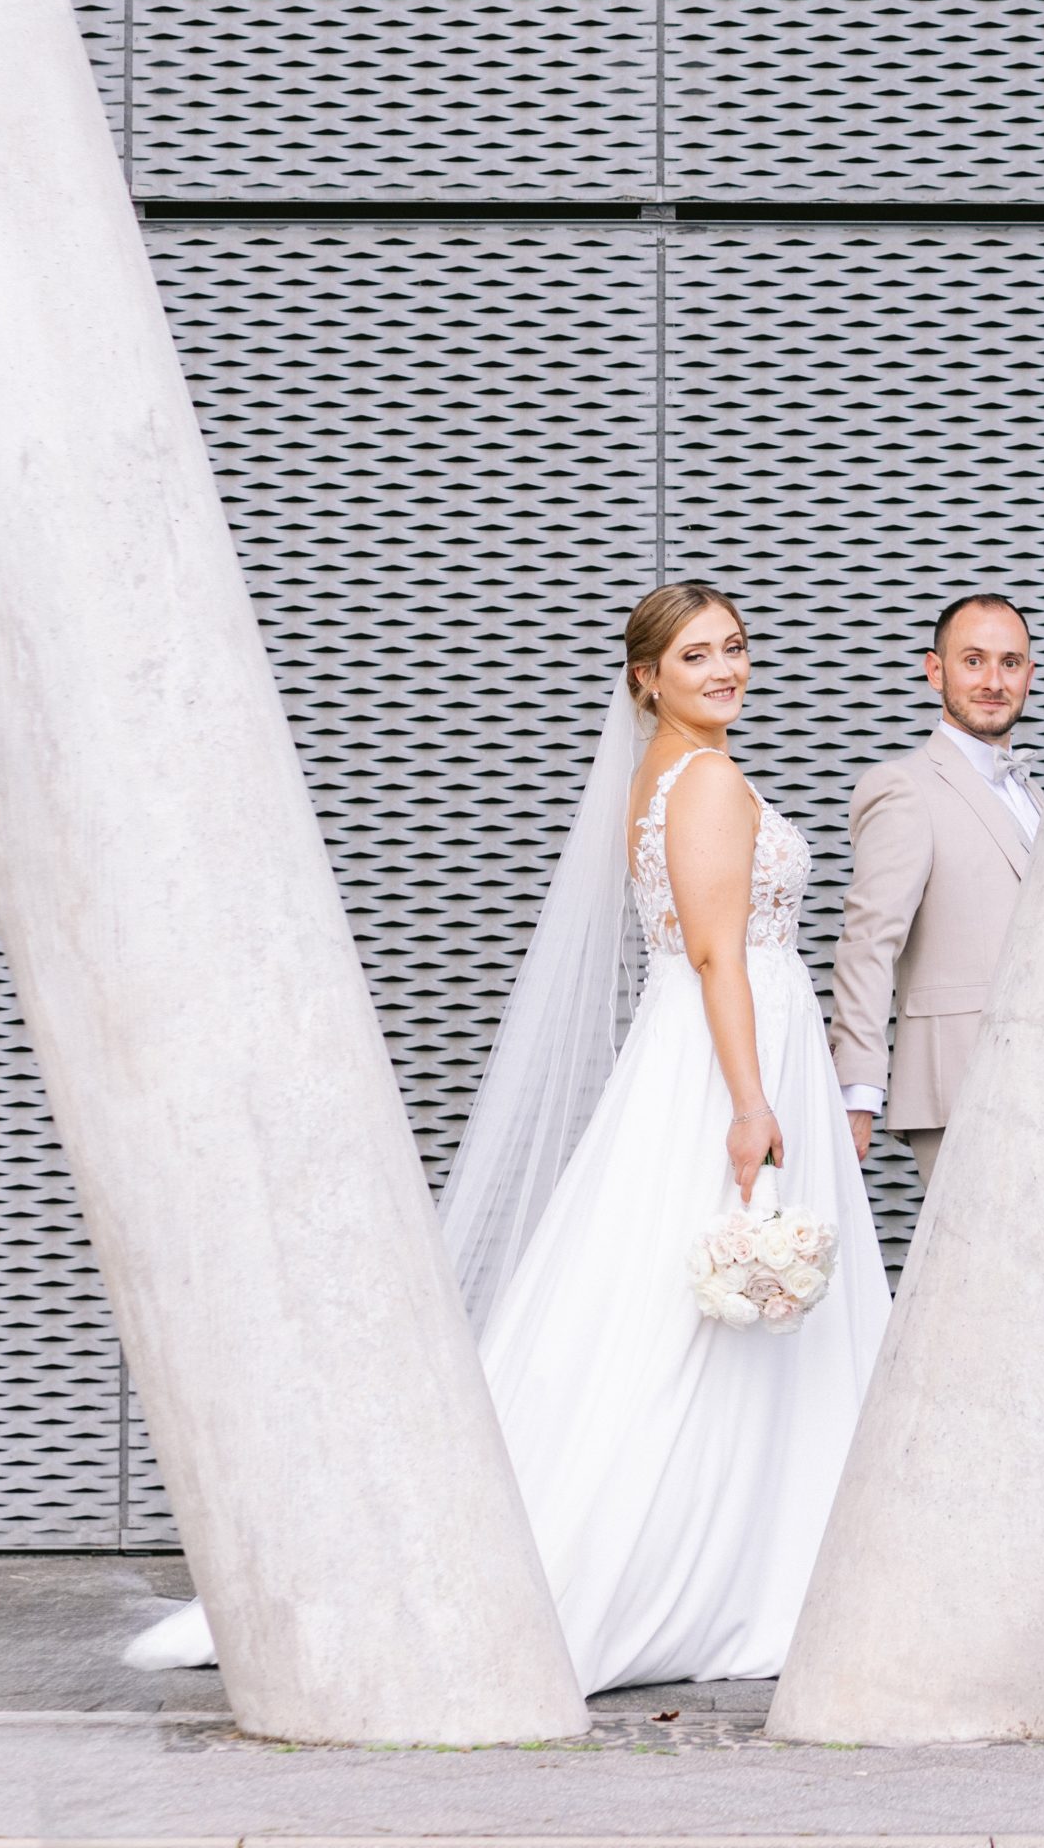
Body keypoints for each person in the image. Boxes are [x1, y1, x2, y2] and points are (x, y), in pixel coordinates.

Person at [125, 581, 889, 1694]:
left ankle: (743, 1543)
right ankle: (707, 1560)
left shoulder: (656, 778)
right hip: (731, 1054)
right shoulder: (710, 780)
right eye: (696, 656)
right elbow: (722, 954)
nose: (725, 668)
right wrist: (753, 1101)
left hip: (702, 1045)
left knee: (666, 1302)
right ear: (648, 678)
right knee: (697, 1307)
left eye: (734, 647)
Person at [831, 592, 1042, 1190]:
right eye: (973, 660)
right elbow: (868, 942)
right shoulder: (903, 788)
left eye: (1009, 663)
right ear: (935, 671)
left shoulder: (1036, 792)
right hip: (961, 1086)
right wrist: (858, 1090)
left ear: (1029, 676)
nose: (993, 681)